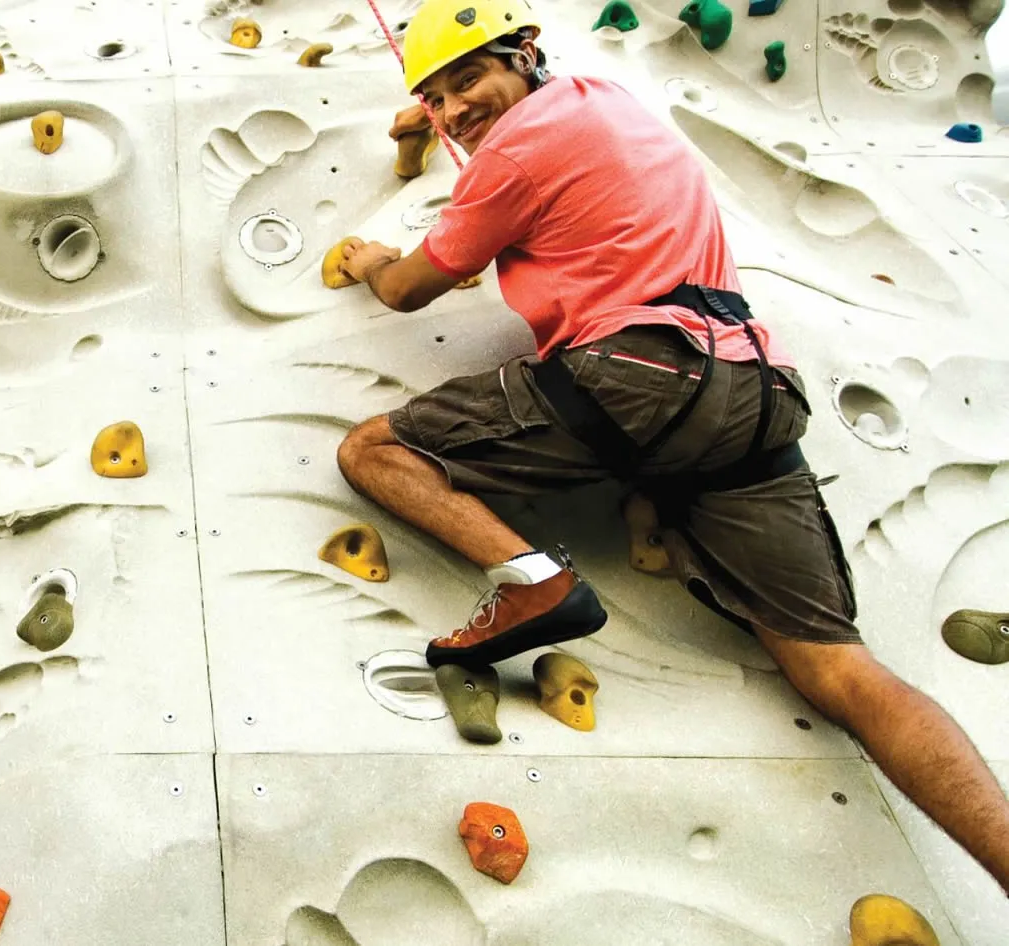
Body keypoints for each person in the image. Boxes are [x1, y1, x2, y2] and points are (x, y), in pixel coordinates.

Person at [332, 0, 1009, 894]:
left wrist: (378, 255)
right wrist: (442, 119)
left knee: (374, 450)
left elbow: (413, 290)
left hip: (636, 374)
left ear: (524, 54)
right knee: (838, 671)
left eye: (468, 81)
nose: (455, 109)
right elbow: (535, 157)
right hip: (754, 386)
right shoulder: (604, 101)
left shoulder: (518, 145)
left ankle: (537, 584)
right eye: (435, 96)